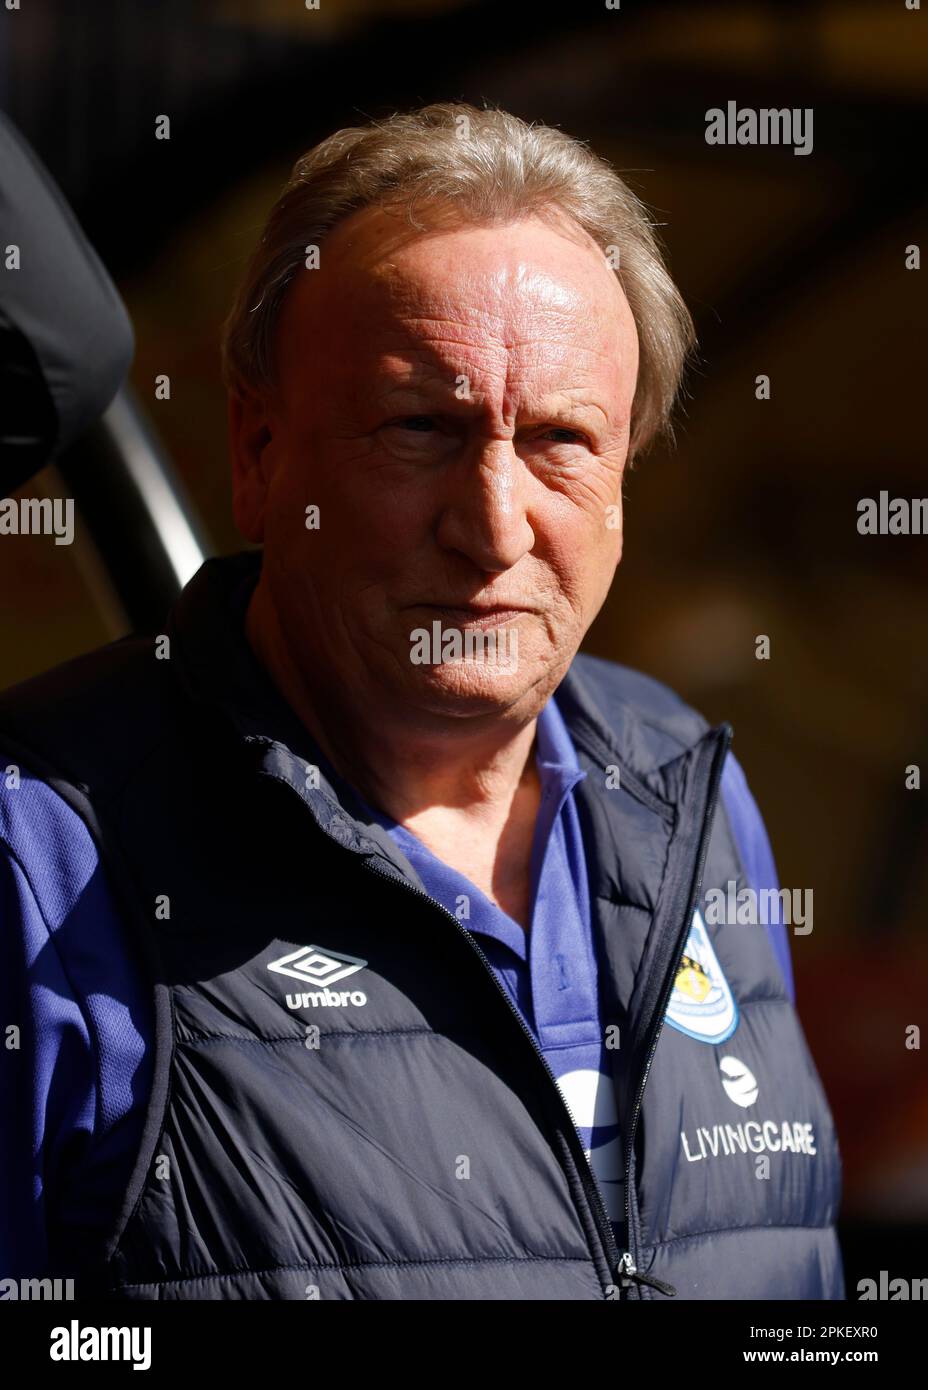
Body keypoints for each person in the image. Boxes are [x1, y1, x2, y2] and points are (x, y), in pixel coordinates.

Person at [0, 102, 844, 1301]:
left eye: (560, 440)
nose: (494, 526)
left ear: (625, 481)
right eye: (417, 429)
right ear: (257, 455)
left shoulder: (687, 788)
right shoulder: (41, 851)